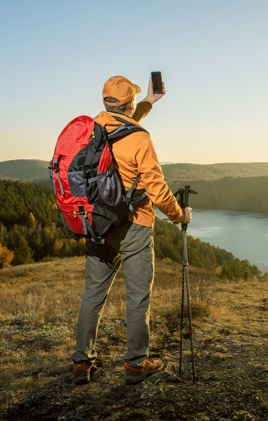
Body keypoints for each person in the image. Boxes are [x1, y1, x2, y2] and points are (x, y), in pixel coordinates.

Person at [71, 75, 192, 385]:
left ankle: (81, 363)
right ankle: (136, 365)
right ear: (128, 104)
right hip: (134, 225)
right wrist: (180, 216)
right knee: (137, 297)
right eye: (135, 101)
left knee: (92, 294)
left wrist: (150, 102)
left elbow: (121, 126)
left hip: (98, 222)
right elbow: (157, 189)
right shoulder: (140, 139)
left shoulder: (92, 129)